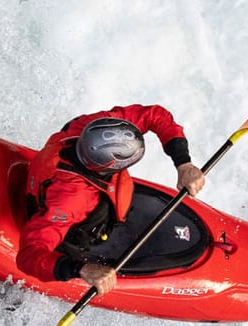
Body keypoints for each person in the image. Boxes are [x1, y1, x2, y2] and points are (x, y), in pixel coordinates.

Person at [16, 104, 206, 297]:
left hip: (72, 194)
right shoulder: (68, 200)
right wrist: (81, 269)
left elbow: (154, 115)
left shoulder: (87, 125)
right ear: (106, 169)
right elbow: (28, 256)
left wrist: (183, 163)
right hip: (76, 228)